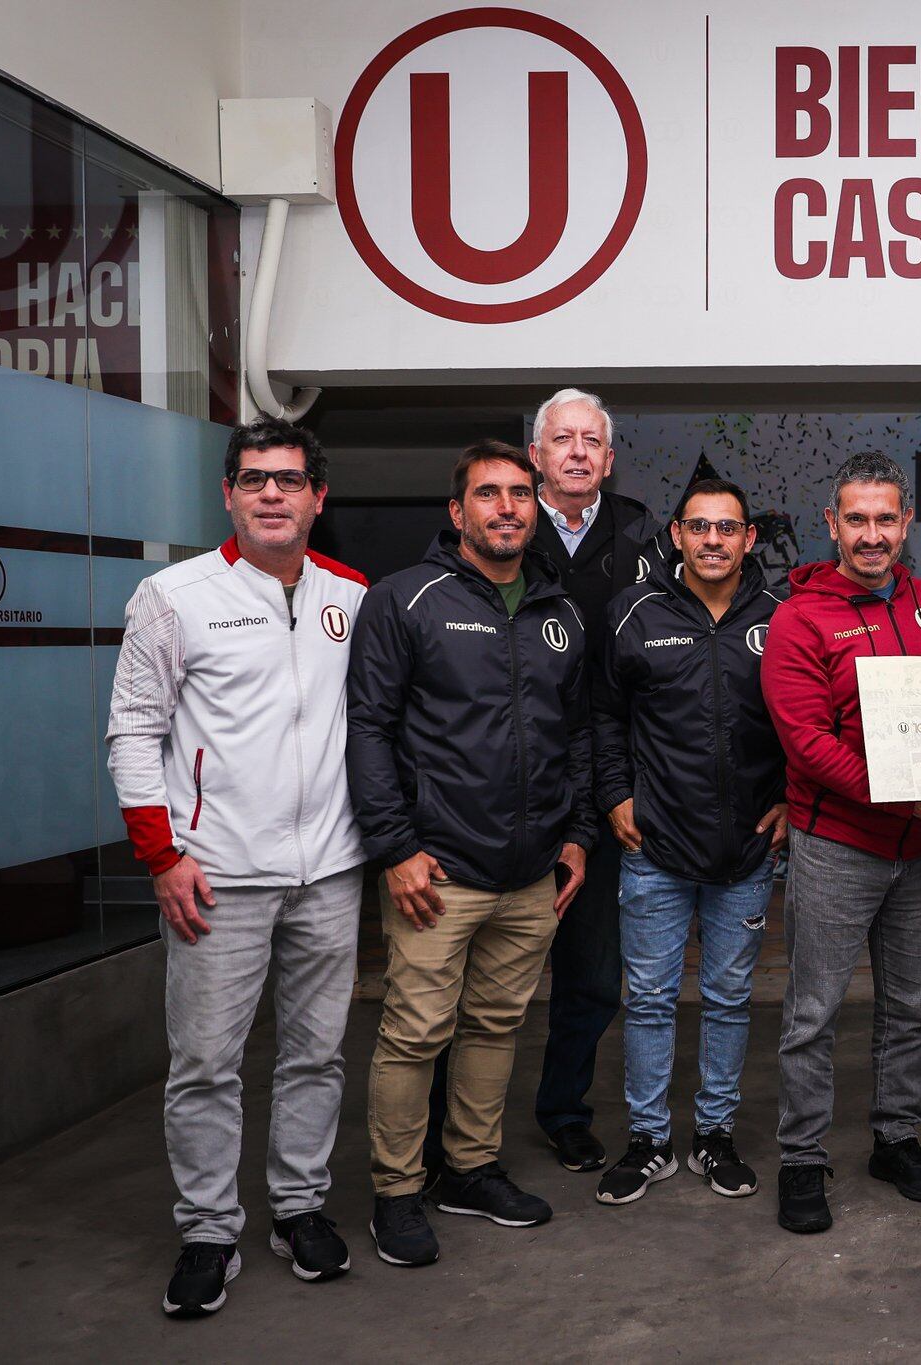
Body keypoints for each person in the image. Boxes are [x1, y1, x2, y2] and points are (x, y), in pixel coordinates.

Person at [107, 418, 366, 1317]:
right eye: (254, 478)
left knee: (316, 1054)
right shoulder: (172, 596)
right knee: (208, 1061)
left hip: (331, 871)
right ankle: (209, 1229)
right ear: (228, 492)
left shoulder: (353, 596)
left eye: (289, 480)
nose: (271, 494)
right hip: (217, 874)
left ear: (316, 497)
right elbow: (132, 734)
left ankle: (298, 1209)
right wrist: (163, 855)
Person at [347, 440, 595, 1268]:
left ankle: (471, 1168)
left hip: (529, 871)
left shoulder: (558, 609)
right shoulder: (404, 599)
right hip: (438, 869)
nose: (507, 509)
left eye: (520, 495)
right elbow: (370, 730)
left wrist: (577, 834)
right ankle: (396, 1190)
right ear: (457, 512)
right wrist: (396, 848)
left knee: (494, 1026)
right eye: (488, 495)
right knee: (416, 1031)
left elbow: (580, 733)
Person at [760, 453, 921, 1235]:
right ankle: (802, 1158)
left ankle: (895, 1137)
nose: (873, 534)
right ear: (832, 524)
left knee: (910, 1004)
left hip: (918, 849)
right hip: (837, 845)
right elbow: (807, 744)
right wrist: (906, 796)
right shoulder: (798, 618)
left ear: (906, 522)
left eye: (887, 518)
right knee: (813, 1012)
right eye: (858, 519)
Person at [589, 478, 788, 1206]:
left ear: (748, 539)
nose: (712, 540)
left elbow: (806, 716)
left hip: (745, 851)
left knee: (730, 996)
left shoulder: (780, 615)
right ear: (675, 534)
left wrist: (795, 797)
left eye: (727, 528)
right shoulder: (633, 613)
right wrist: (614, 793)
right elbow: (603, 715)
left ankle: (714, 1135)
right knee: (647, 998)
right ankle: (647, 1140)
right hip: (655, 848)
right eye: (699, 526)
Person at [524, 388, 657, 1174]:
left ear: (609, 458)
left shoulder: (644, 535)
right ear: (536, 454)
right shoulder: (502, 522)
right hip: (512, 781)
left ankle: (565, 1109)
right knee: (476, 984)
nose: (576, 453)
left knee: (593, 971)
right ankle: (452, 1136)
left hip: (606, 781)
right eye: (560, 440)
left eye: (591, 442)